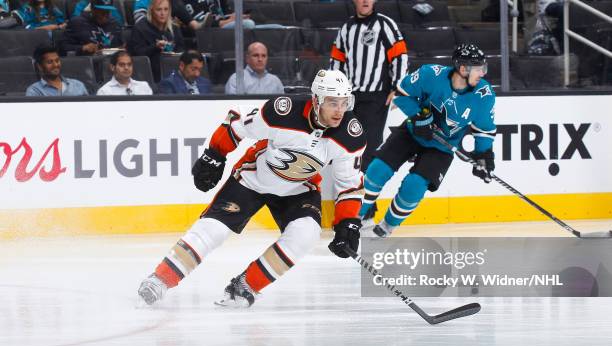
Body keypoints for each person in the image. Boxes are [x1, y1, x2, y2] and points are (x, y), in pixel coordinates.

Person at [137, 69, 366, 308]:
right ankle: (161, 278)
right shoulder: (283, 111)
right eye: (332, 102)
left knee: (306, 234)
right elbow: (237, 124)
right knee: (213, 230)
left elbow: (349, 185)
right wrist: (215, 154)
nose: (340, 110)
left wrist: (348, 222)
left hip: (299, 188)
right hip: (254, 179)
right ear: (316, 100)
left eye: (344, 102)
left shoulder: (351, 135)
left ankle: (246, 285)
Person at [358, 44, 496, 238]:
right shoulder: (431, 74)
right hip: (412, 132)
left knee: (414, 186)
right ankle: (354, 217)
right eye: (478, 68)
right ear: (462, 68)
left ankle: (386, 228)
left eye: (484, 67)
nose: (483, 72)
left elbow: (484, 130)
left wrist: (483, 156)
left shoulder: (484, 95)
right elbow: (401, 94)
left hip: (441, 147)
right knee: (377, 170)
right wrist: (419, 116)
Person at [330, 0, 408, 224]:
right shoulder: (347, 28)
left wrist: (397, 88)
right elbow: (337, 60)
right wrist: (334, 90)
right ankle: (351, 208)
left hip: (376, 97)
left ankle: (365, 212)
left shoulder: (385, 25)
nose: (365, 1)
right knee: (348, 150)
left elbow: (400, 56)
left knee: (369, 150)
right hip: (351, 98)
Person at [128, 0, 184, 81]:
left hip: (172, 72)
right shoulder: (140, 28)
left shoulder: (174, 28)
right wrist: (155, 47)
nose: (163, 13)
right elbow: (137, 55)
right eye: (159, 9)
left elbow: (181, 49)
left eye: (166, 9)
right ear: (151, 10)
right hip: (148, 74)